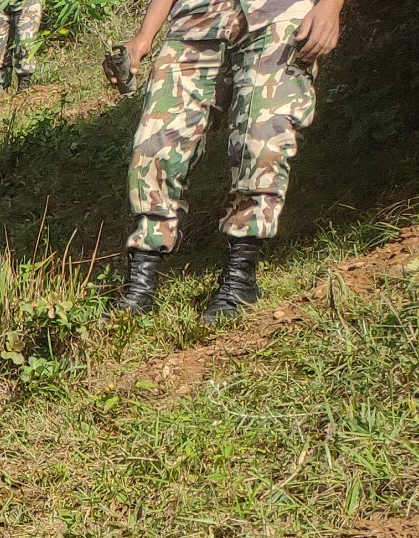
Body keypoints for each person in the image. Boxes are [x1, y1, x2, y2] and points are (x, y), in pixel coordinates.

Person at [112, 0, 341, 321]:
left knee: (261, 139)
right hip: (196, 22)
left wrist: (330, 7)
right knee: (153, 146)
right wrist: (143, 37)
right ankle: (141, 283)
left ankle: (240, 277)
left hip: (277, 18)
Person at [0, 0, 44, 88]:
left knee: (25, 44)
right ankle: (0, 88)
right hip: (0, 4)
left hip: (28, 3)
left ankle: (24, 87)